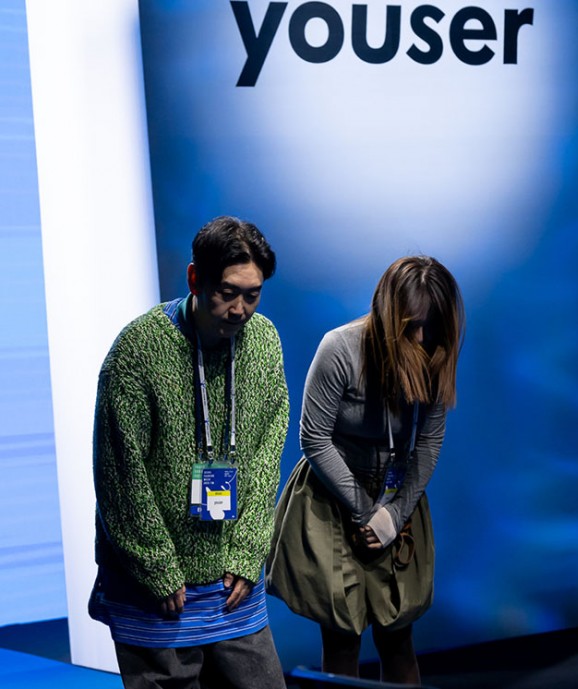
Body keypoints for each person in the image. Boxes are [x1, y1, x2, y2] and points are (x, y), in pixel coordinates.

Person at [89, 216, 289, 689]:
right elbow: (120, 473)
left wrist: (248, 552)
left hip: (231, 582)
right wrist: (156, 567)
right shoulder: (138, 351)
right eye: (228, 293)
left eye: (253, 295)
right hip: (157, 590)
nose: (240, 309)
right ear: (195, 278)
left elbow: (268, 452)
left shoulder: (264, 342)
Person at [267, 256, 465, 685]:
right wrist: (363, 511)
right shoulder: (339, 347)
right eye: (412, 326)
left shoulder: (435, 349)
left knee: (398, 637)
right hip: (333, 492)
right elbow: (314, 438)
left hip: (397, 497)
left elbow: (428, 442)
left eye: (430, 327)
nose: (421, 338)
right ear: (389, 314)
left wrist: (393, 514)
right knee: (341, 637)